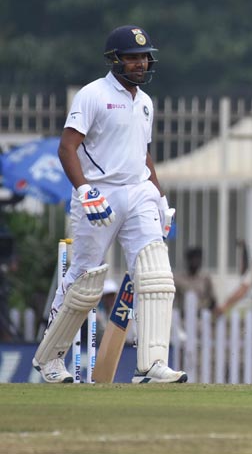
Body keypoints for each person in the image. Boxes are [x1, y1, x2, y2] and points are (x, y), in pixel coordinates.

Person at [32, 25, 187, 384]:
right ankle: (50, 358)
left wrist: (160, 197)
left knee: (157, 276)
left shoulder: (145, 103)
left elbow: (143, 155)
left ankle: (150, 364)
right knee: (84, 281)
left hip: (138, 192)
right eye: (133, 58)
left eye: (144, 57)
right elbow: (66, 147)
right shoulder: (93, 95)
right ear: (115, 60)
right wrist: (84, 189)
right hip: (99, 195)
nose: (140, 63)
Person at [173, 246, 216, 312]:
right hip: (182, 319)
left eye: (197, 259)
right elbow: (173, 299)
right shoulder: (179, 279)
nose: (195, 262)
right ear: (187, 260)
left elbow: (212, 300)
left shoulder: (205, 279)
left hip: (200, 319)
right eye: (192, 259)